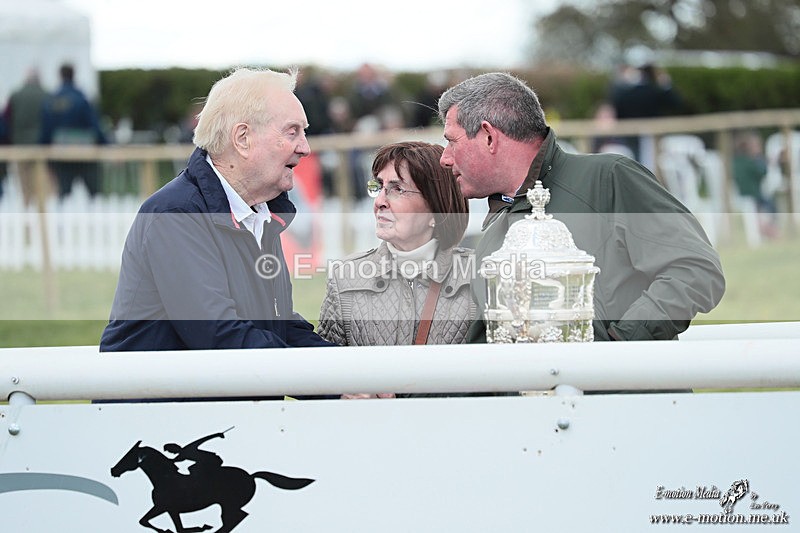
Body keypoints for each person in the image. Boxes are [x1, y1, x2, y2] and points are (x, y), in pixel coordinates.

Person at [437, 72, 725, 343]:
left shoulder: (609, 177)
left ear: (489, 136)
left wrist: (618, 347)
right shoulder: (492, 232)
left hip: (630, 395)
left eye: (451, 142)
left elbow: (695, 270)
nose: (445, 159)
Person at [100, 67, 333, 351]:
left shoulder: (258, 214)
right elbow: (222, 337)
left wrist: (347, 378)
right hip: (163, 396)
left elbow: (279, 326)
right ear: (243, 138)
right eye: (292, 131)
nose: (305, 147)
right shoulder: (175, 215)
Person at [318, 141, 474, 348]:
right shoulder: (344, 278)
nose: (380, 201)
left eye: (397, 189)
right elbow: (327, 370)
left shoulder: (481, 278)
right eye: (379, 187)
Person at [40, 62, 108, 198]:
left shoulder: (51, 101)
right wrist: (106, 145)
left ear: (60, 76)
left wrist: (43, 151)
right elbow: (95, 126)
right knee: (94, 195)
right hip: (85, 153)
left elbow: (46, 129)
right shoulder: (81, 99)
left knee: (63, 195)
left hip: (61, 153)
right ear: (74, 75)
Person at [4, 68, 50, 205]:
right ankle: (41, 219)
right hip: (41, 146)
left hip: (20, 144)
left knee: (25, 186)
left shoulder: (15, 95)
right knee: (41, 186)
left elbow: (6, 119)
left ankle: (27, 217)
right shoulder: (46, 94)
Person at [732, 130, 778, 238]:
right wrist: (760, 158)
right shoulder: (750, 162)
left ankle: (767, 229)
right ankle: (771, 231)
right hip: (752, 196)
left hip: (743, 196)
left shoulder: (736, 161)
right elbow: (763, 172)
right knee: (771, 206)